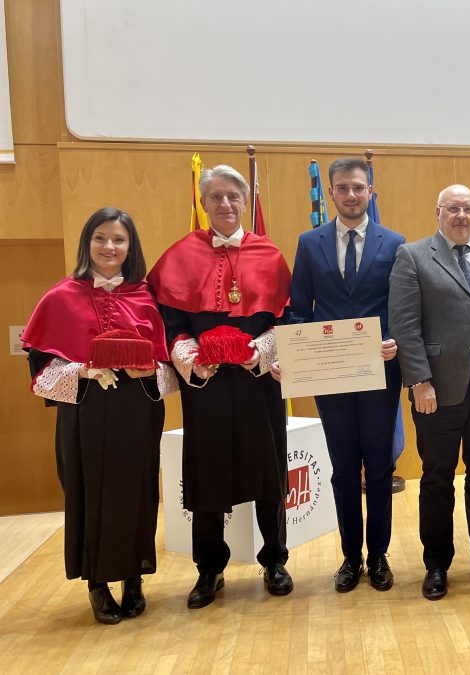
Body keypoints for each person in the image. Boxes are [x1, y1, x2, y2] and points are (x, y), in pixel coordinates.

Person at [147, 164, 294, 608]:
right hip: (206, 387)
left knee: (268, 471)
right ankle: (209, 568)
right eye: (216, 197)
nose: (226, 204)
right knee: (206, 473)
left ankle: (275, 560)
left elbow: (285, 319)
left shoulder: (269, 255)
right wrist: (193, 358)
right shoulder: (178, 255)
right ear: (203, 202)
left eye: (234, 196)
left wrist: (259, 351)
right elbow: (169, 323)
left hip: (257, 382)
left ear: (245, 201)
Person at [22, 207, 176, 624]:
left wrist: (152, 370)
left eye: (119, 240)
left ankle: (133, 578)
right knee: (89, 491)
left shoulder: (146, 298)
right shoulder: (59, 297)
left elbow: (167, 368)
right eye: (101, 238)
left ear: (131, 248)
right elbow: (40, 374)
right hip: (85, 412)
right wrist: (83, 369)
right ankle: (97, 583)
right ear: (87, 243)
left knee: (137, 489)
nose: (110, 247)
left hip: (136, 411)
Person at [389, 184, 470, 600]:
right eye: (453, 208)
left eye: (468, 208)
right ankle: (437, 564)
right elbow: (405, 325)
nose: (461, 215)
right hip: (436, 389)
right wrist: (419, 380)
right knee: (438, 477)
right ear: (438, 212)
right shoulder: (413, 255)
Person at [289, 157, 405, 593]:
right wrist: (296, 353)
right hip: (330, 377)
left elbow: (401, 306)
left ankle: (379, 556)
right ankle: (349, 557)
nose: (351, 195)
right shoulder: (309, 242)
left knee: (378, 468)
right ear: (331, 193)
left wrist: (393, 339)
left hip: (379, 373)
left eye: (359, 187)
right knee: (342, 470)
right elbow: (299, 310)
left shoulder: (395, 243)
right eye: (343, 188)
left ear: (369, 192)